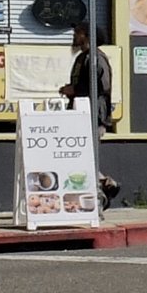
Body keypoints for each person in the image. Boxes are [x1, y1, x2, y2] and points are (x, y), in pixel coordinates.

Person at [59, 25, 120, 203]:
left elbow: (103, 86)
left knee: (86, 156)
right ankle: (105, 185)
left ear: (86, 36)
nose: (74, 36)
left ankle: (99, 194)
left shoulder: (96, 58)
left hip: (93, 116)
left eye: (77, 32)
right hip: (79, 114)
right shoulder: (82, 57)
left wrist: (75, 90)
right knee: (78, 155)